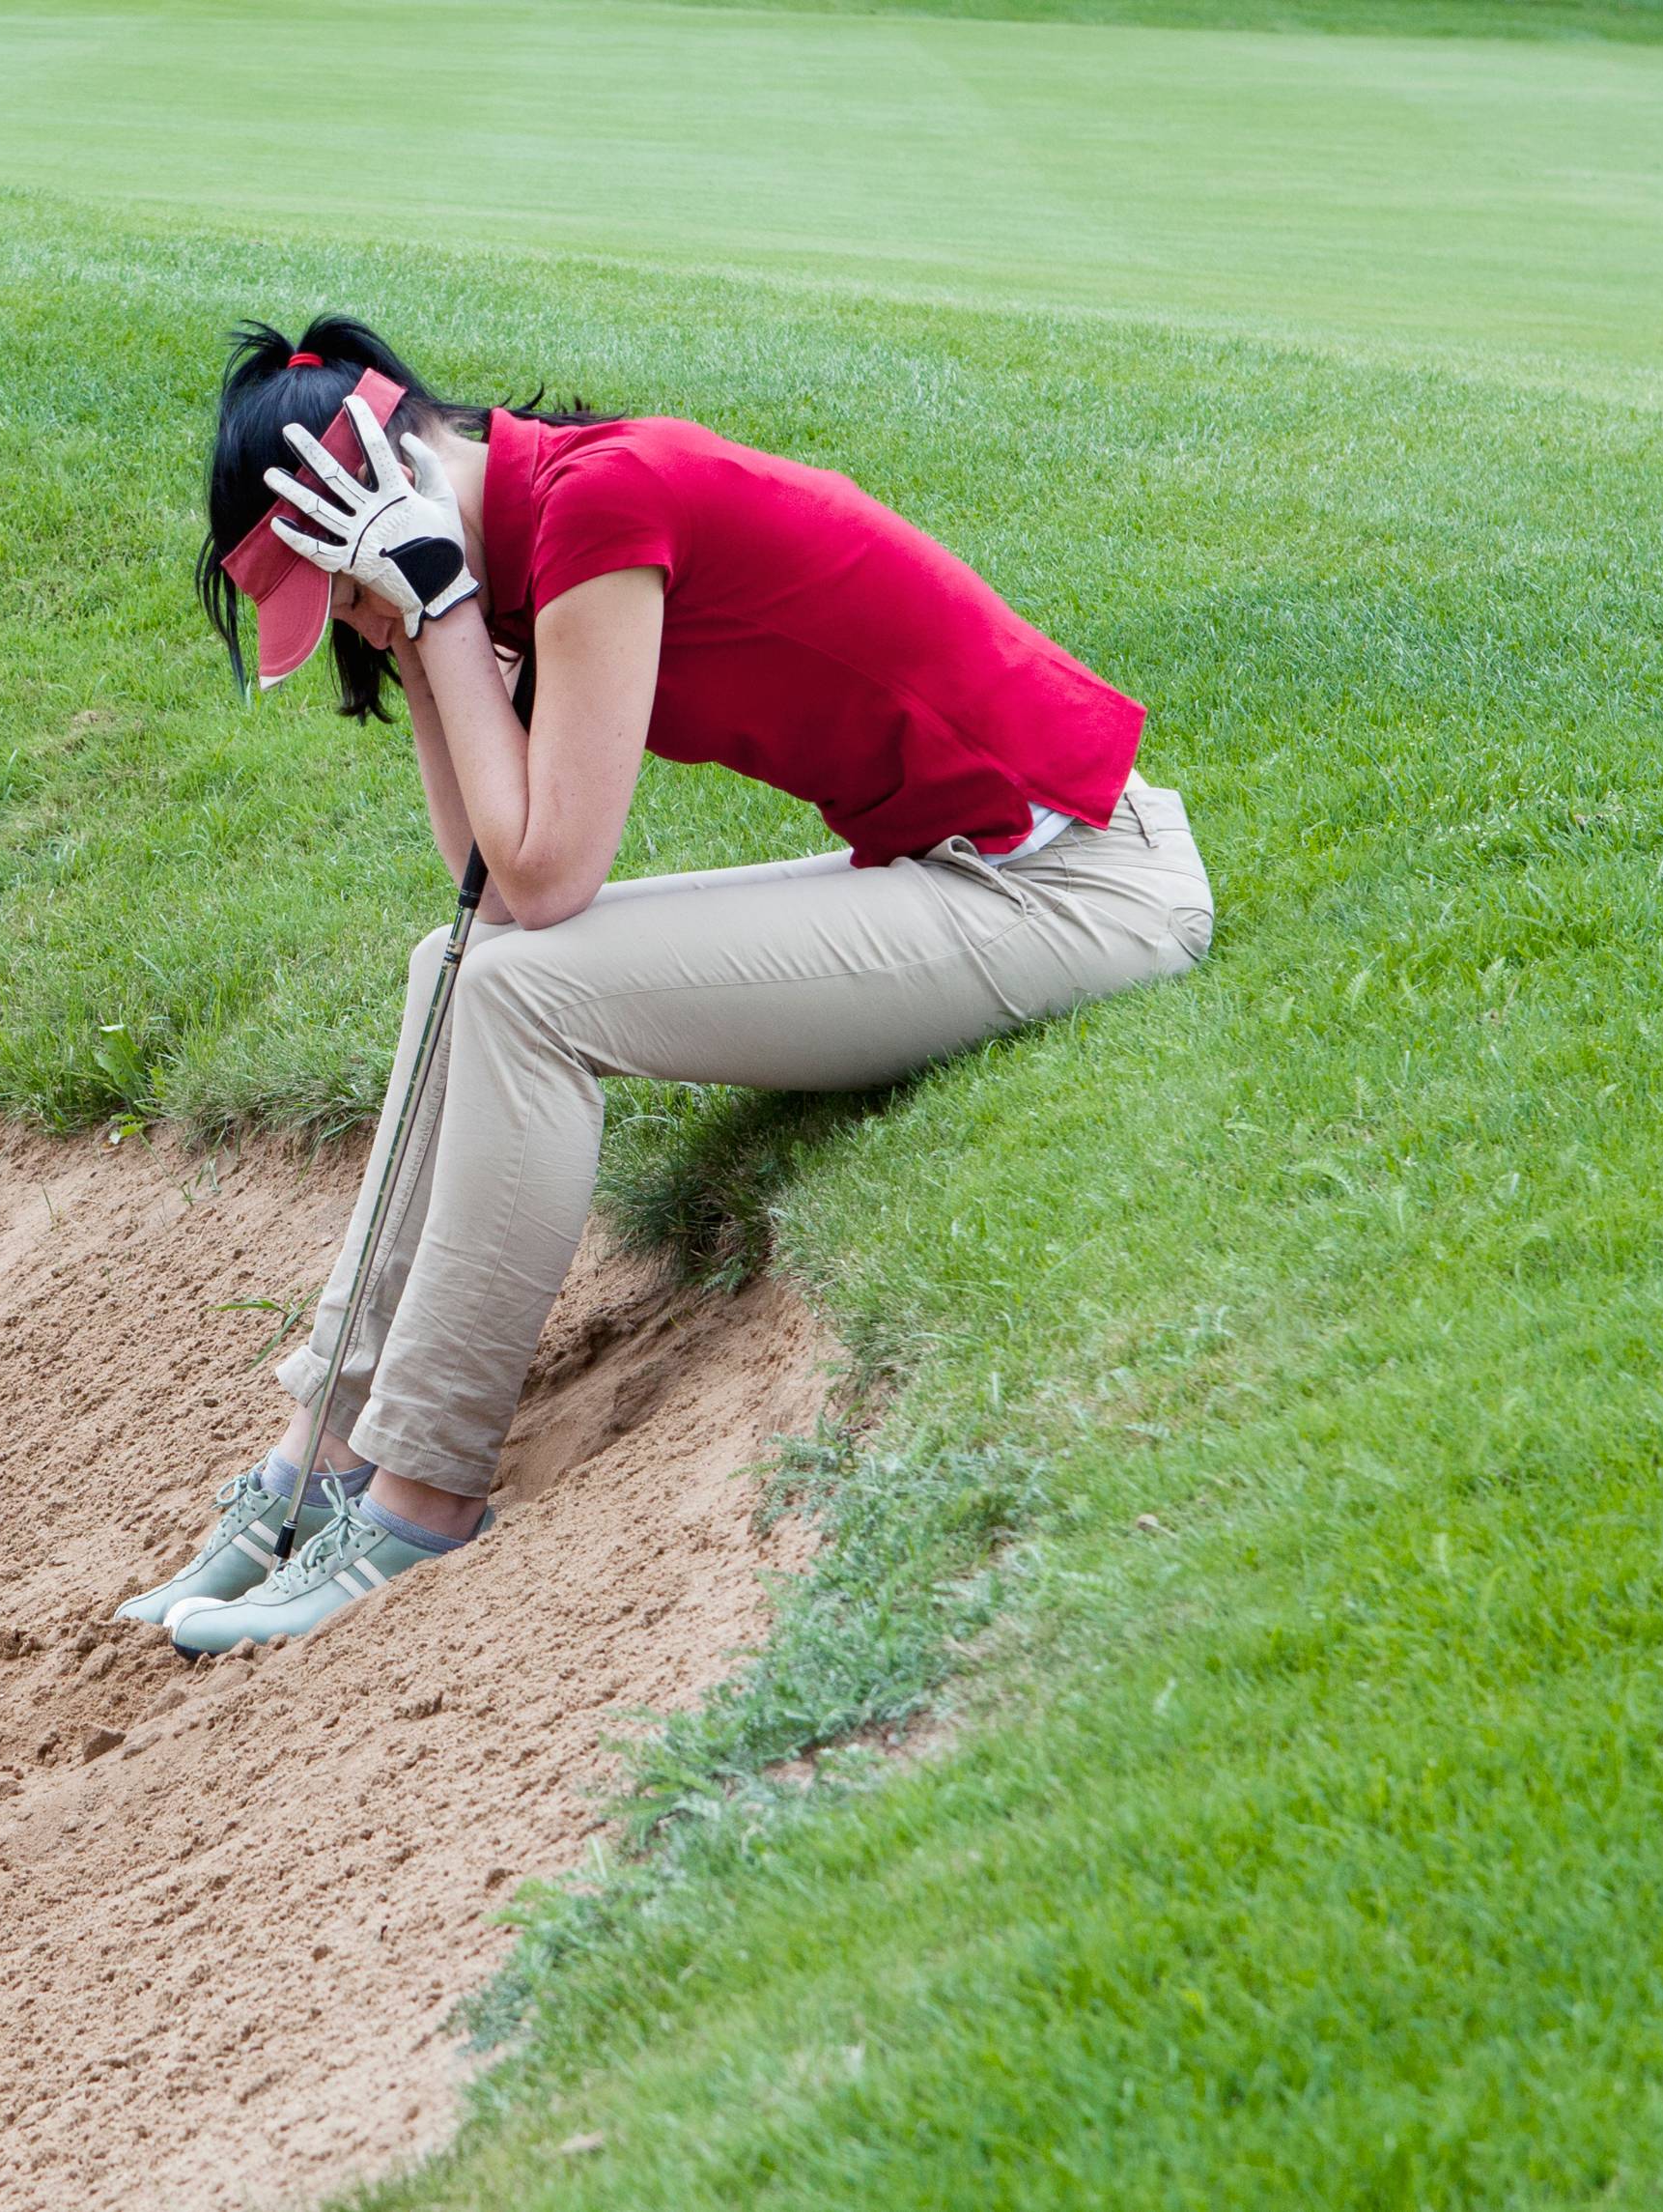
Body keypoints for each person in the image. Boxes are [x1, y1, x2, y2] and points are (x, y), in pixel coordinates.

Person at [122, 316, 1216, 1657]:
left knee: (529, 996)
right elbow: (474, 881)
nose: (352, 615)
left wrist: (440, 608)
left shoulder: (596, 511)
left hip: (1078, 886)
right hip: (959, 864)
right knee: (453, 973)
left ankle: (420, 1494)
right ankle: (319, 1453)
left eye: (342, 588)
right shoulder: (509, 546)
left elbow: (545, 880)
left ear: (390, 476)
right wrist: (428, 633)